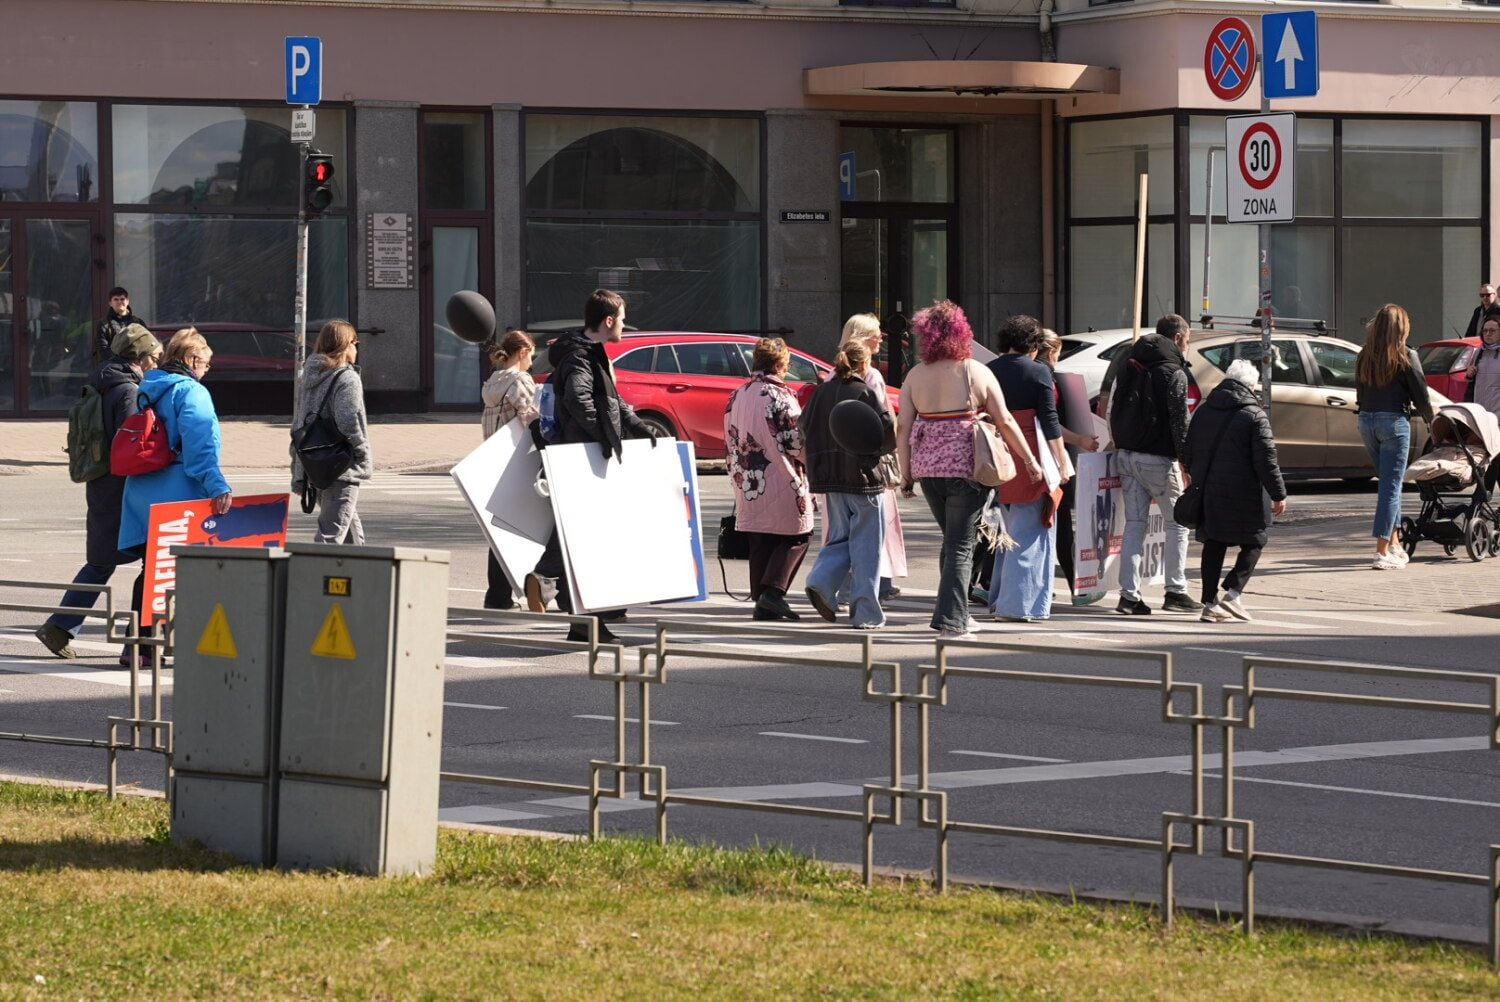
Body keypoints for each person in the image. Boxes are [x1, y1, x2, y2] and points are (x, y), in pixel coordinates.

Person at [896, 300, 1039, 640]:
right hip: (967, 468)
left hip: (929, 469)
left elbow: (902, 427)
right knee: (961, 544)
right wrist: (1029, 460)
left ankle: (955, 610)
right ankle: (951, 621)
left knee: (954, 540)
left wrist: (905, 473)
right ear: (963, 333)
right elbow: (1004, 421)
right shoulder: (975, 371)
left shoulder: (915, 375)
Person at [524, 289, 657, 643]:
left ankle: (582, 626)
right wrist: (605, 435)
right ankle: (544, 576)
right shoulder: (579, 357)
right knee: (581, 536)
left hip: (582, 451)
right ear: (608, 320)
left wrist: (635, 424)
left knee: (582, 538)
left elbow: (609, 398)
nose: (625, 325)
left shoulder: (587, 352)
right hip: (580, 454)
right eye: (623, 319)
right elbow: (580, 401)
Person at [34, 325, 162, 663]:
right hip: (122, 486)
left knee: (102, 561)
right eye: (154, 356)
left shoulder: (101, 381)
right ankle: (138, 642)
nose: (156, 362)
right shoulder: (128, 391)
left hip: (100, 479)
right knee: (151, 559)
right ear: (140, 357)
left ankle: (61, 627)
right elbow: (133, 441)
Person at [117, 327, 232, 647]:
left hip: (142, 489)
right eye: (206, 365)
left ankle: (138, 644)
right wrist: (218, 486)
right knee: (186, 570)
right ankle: (166, 641)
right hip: (177, 492)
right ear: (192, 359)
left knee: (152, 570)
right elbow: (200, 450)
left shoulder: (149, 386)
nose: (206, 371)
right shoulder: (191, 392)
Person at [1108, 314, 1202, 616]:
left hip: (1126, 455)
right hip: (1158, 460)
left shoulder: (1129, 363)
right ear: (1177, 338)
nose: (1187, 345)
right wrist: (1187, 461)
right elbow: (1179, 422)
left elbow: (1110, 407)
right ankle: (1176, 590)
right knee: (1178, 524)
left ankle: (1129, 595)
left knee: (1135, 524)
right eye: (1187, 339)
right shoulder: (1174, 372)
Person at [1184, 360, 1288, 624]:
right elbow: (1266, 459)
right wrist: (1279, 493)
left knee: (1214, 542)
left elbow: (1188, 450)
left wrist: (1196, 474)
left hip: (1208, 488)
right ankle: (1232, 592)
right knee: (1256, 540)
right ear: (1251, 386)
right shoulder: (1254, 415)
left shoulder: (1205, 410)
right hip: (1245, 493)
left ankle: (1209, 603)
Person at [801, 341, 893, 630]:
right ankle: (866, 613)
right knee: (868, 546)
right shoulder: (863, 391)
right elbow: (886, 431)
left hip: (830, 478)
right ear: (864, 364)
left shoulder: (822, 392)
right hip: (864, 477)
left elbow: (804, 426)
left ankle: (821, 581)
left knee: (841, 537)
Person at [985, 315, 1071, 623]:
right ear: (1033, 345)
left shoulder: (988, 370)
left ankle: (998, 597)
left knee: (1006, 531)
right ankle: (1018, 604)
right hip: (1031, 454)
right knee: (1032, 529)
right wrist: (1061, 463)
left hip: (994, 453)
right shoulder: (1038, 372)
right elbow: (1049, 421)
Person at [724, 337, 813, 622]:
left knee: (760, 537)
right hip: (781, 474)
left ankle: (761, 599)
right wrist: (813, 464)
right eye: (786, 362)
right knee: (798, 533)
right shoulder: (780, 395)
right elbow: (795, 440)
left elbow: (729, 435)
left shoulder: (738, 394)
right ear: (779, 363)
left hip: (748, 477)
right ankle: (772, 594)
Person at [1355, 303, 1433, 570]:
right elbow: (1421, 394)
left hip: (1366, 420)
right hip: (1394, 421)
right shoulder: (1406, 355)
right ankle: (1381, 551)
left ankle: (1396, 544)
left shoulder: (1365, 355)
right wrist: (1431, 419)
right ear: (1402, 328)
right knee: (1389, 488)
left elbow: (1359, 391)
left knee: (1391, 485)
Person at [839, 312, 906, 601]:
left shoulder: (832, 373)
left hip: (840, 460)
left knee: (844, 527)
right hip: (872, 460)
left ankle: (845, 582)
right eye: (876, 332)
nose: (882, 337)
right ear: (864, 339)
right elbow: (884, 419)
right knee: (880, 521)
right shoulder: (872, 376)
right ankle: (880, 581)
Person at [291, 320, 371, 545]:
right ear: (345, 345)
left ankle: (360, 577)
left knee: (348, 530)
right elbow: (348, 422)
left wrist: (298, 474)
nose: (357, 348)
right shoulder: (346, 377)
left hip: (315, 465)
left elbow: (299, 423)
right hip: (341, 465)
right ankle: (312, 578)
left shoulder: (309, 375)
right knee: (330, 536)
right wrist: (361, 453)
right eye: (355, 343)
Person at [1038, 329, 1100, 604]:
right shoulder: (1045, 377)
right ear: (1052, 351)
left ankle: (988, 582)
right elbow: (1050, 422)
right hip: (1050, 457)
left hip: (1028, 457)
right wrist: (1080, 440)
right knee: (1060, 522)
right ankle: (1076, 587)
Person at [479, 328, 539, 609]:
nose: (532, 363)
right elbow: (531, 420)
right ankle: (535, 587)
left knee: (500, 529)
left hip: (493, 459)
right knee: (528, 526)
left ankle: (497, 594)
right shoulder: (521, 381)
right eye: (532, 357)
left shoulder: (492, 382)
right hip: (516, 462)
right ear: (523, 352)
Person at [94, 287, 145, 367]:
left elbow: (145, 345)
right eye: (116, 299)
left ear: (127, 301)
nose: (119, 302)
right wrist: (121, 364)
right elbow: (103, 350)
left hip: (136, 368)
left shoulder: (138, 322)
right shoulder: (103, 324)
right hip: (113, 369)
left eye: (122, 299)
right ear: (110, 303)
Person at [1464, 310, 1500, 417]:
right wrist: (1469, 374)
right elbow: (1471, 380)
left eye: (1492, 331)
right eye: (1485, 331)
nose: (1488, 334)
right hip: (1481, 412)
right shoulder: (1479, 351)